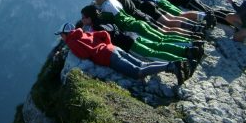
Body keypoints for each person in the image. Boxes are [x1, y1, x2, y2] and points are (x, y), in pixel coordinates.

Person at [55, 22, 187, 85]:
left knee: (137, 72)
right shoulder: (84, 32)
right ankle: (172, 64)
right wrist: (108, 44)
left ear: (66, 34)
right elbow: (104, 33)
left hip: (108, 57)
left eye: (61, 35)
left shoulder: (72, 42)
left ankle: (170, 67)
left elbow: (84, 55)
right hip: (114, 49)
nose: (61, 37)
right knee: (142, 63)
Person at [80, 5, 203, 63]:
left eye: (84, 18)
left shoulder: (95, 27)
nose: (82, 20)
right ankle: (188, 49)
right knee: (158, 45)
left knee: (152, 54)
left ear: (90, 18)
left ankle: (184, 61)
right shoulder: (104, 17)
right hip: (132, 35)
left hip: (128, 44)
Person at [92, 0, 204, 48]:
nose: (95, 1)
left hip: (137, 23)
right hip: (142, 17)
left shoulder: (106, 7)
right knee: (166, 31)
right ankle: (193, 35)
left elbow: (105, 20)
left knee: (162, 36)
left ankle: (191, 42)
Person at [103, 0, 204, 37]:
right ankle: (196, 26)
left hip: (144, 11)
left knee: (166, 27)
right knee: (172, 20)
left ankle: (193, 31)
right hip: (148, 6)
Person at [152, 0, 224, 27]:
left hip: (189, 3)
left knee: (206, 12)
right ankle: (222, 18)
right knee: (208, 11)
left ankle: (214, 20)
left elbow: (172, 6)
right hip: (190, 1)